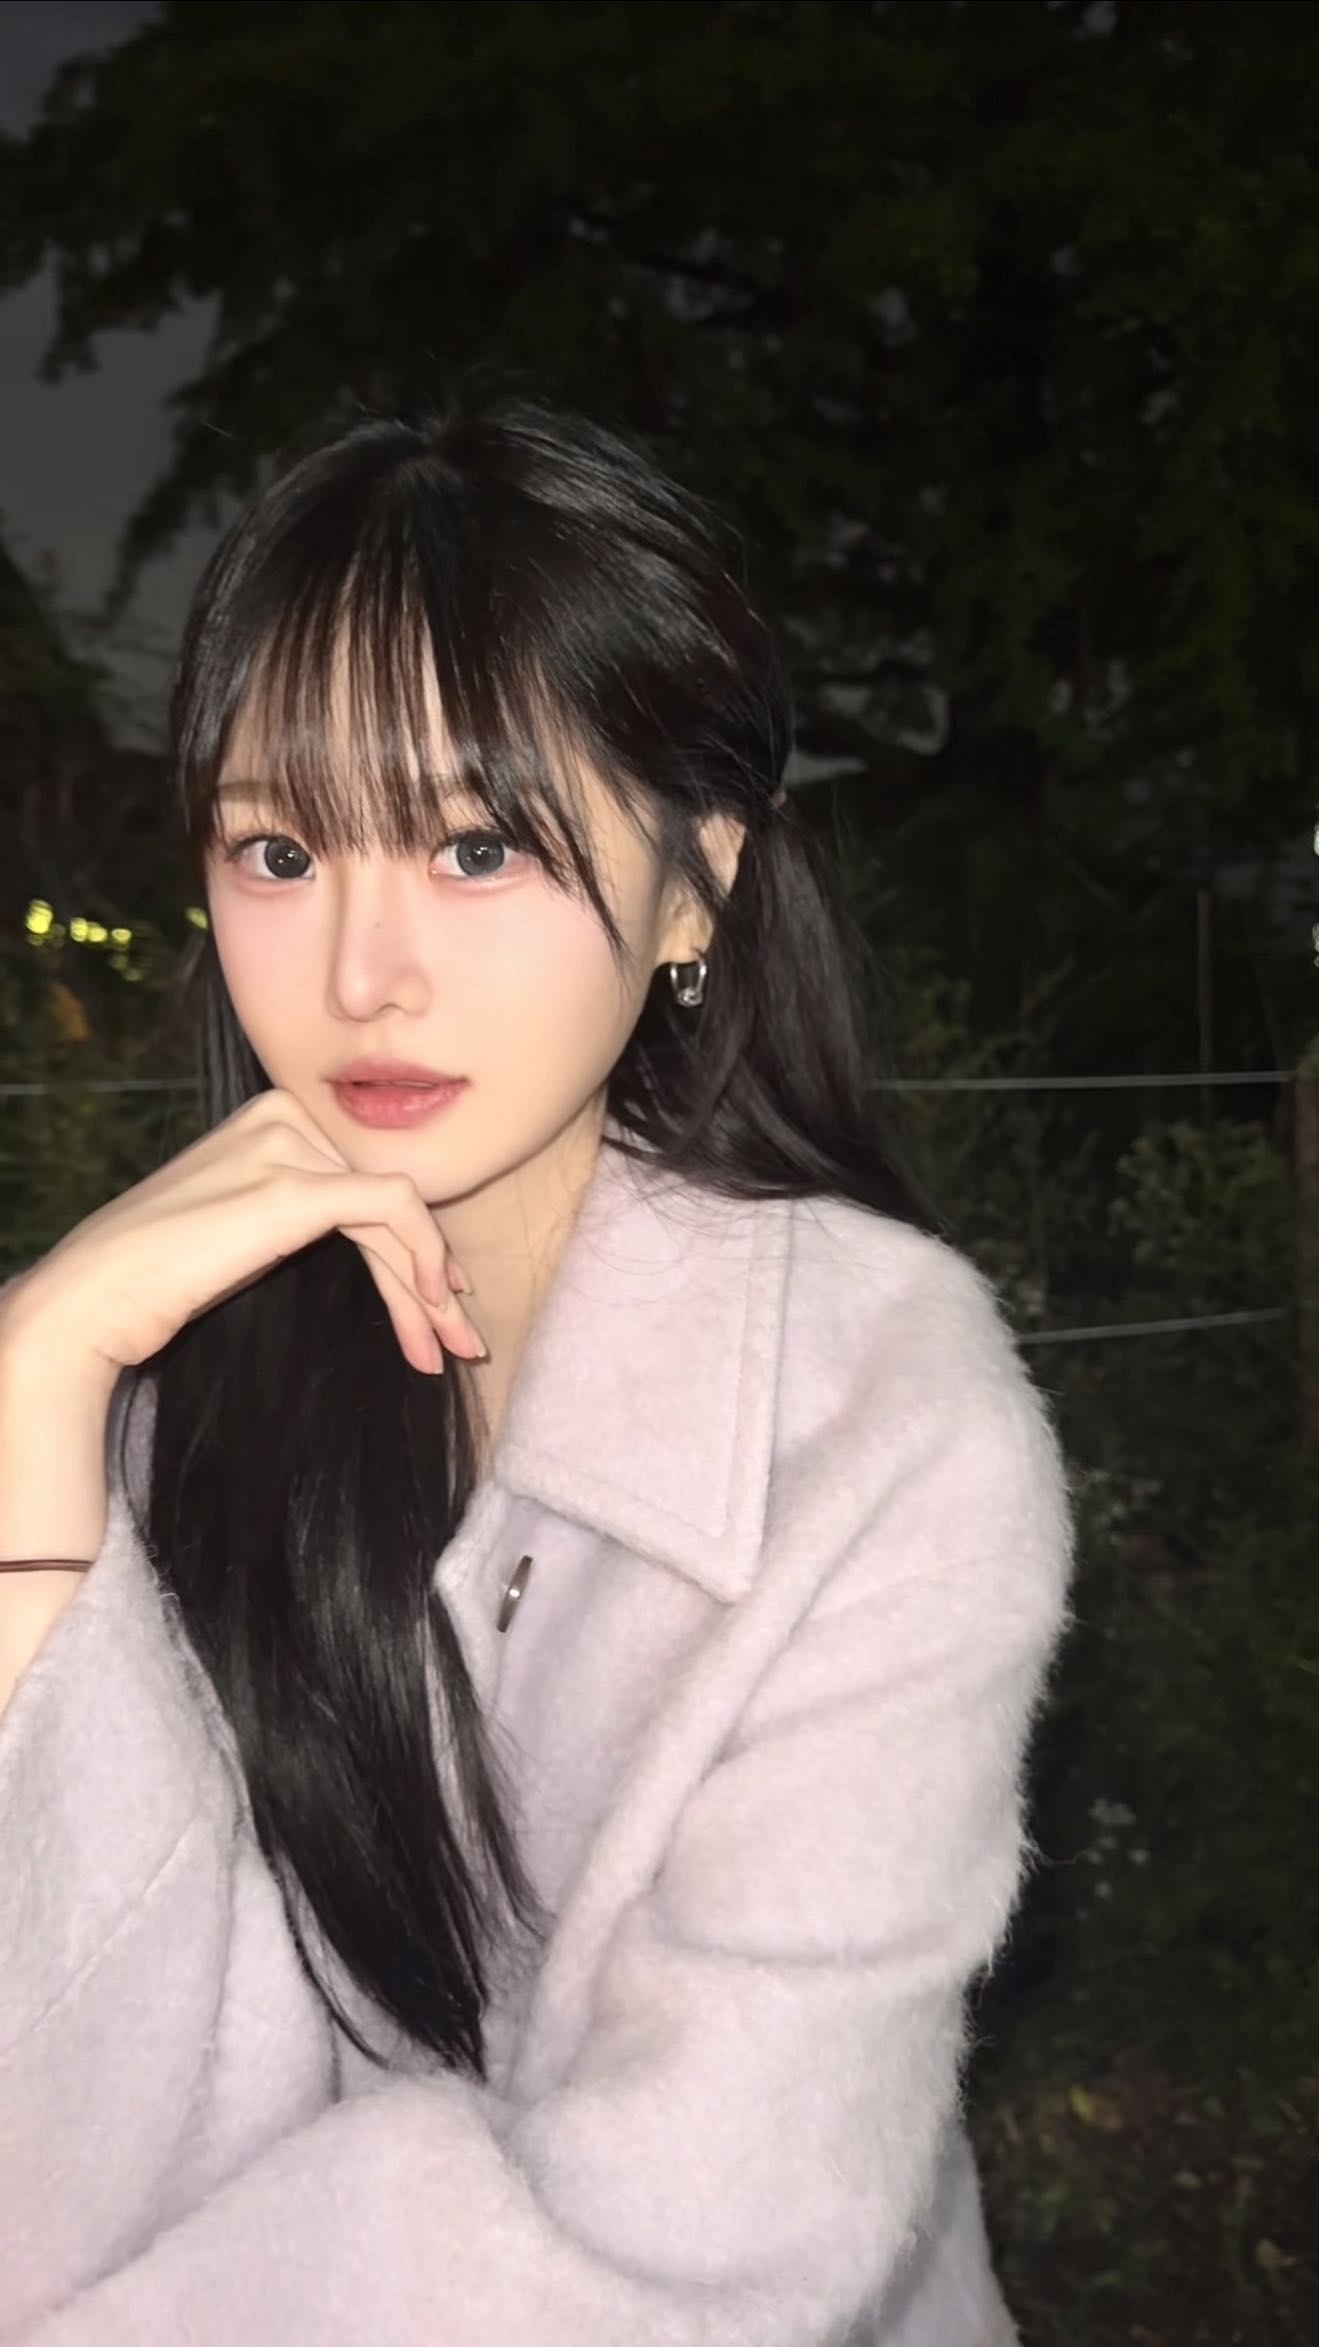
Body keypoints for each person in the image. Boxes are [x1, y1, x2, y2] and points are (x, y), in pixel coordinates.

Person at [0, 383, 1074, 2345]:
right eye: (278, 850)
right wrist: (33, 1384)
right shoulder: (174, 1398)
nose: (362, 974)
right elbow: (61, 2154)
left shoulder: (878, 1420)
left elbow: (692, 2244)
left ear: (695, 882)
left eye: (478, 846)